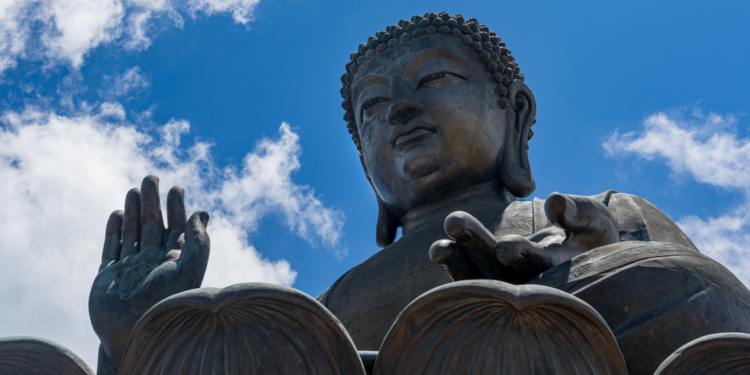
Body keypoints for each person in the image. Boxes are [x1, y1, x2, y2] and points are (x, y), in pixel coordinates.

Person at [88, 12, 750, 375]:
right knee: (240, 334)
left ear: (515, 116)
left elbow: (714, 311)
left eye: (433, 78)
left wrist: (561, 279)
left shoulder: (597, 214)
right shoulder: (323, 306)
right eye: (372, 108)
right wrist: (137, 336)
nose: (398, 112)